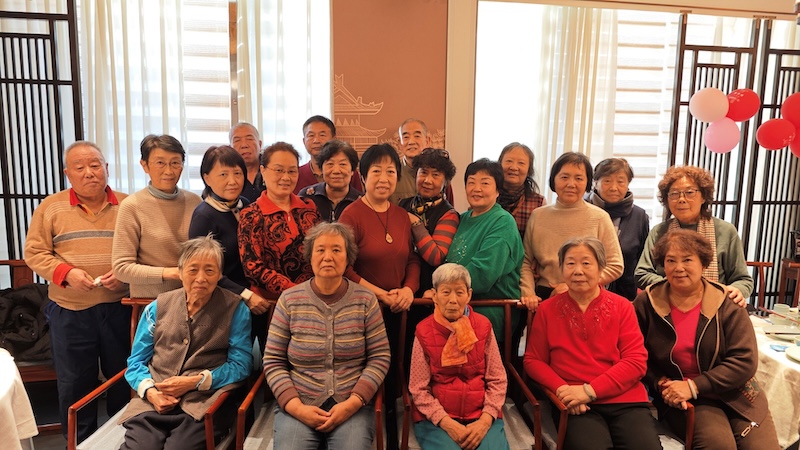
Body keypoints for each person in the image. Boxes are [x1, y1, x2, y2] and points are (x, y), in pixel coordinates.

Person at [23, 141, 131, 442]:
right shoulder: (51, 207)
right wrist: (67, 273)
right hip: (70, 312)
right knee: (74, 385)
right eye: (80, 167)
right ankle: (79, 443)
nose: (89, 173)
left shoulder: (128, 205)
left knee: (123, 378)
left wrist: (124, 277)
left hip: (120, 307)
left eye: (95, 165)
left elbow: (141, 252)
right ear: (68, 173)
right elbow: (35, 253)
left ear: (107, 168)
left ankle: (122, 440)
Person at [634, 229, 780, 450]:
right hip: (684, 397)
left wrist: (694, 385)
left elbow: (744, 361)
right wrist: (659, 382)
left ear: (703, 264)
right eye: (670, 260)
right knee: (718, 445)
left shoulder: (727, 303)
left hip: (737, 393)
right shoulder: (647, 303)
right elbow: (634, 354)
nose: (678, 268)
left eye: (687, 260)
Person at [523, 238, 662, 450]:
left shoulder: (622, 306)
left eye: (586, 263)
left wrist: (589, 391)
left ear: (601, 268)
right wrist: (563, 390)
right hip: (576, 405)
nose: (578, 270)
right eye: (570, 263)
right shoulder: (547, 309)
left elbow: (636, 361)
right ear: (561, 268)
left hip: (624, 400)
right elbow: (533, 360)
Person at [263, 222, 390, 450]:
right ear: (310, 256)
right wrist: (296, 407)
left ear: (348, 257)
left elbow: (380, 358)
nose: (328, 257)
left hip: (352, 404)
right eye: (320, 250)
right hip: (299, 402)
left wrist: (353, 403)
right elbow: (273, 361)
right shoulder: (289, 300)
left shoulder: (365, 300)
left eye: (336, 250)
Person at [119, 235, 252, 450]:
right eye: (193, 270)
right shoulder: (157, 307)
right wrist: (151, 393)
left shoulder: (236, 309)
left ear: (219, 275)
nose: (201, 278)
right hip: (153, 402)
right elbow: (136, 362)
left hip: (204, 404)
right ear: (180, 273)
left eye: (209, 270)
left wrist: (194, 382)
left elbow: (241, 365)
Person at [339, 142, 421, 450]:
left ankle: (390, 422)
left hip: (400, 306)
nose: (384, 177)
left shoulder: (402, 215)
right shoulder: (351, 214)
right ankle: (365, 425)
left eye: (390, 171)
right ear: (362, 177)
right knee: (369, 368)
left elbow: (413, 259)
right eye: (376, 171)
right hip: (363, 309)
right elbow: (344, 268)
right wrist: (381, 295)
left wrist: (408, 290)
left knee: (396, 367)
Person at [409, 263, 509, 450]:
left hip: (481, 414)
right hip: (436, 420)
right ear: (435, 295)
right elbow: (418, 389)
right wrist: (448, 424)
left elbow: (498, 379)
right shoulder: (423, 331)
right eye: (446, 292)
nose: (453, 300)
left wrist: (485, 421)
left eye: (459, 292)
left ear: (469, 295)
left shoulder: (484, 326)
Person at [238, 142, 321, 351]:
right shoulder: (251, 214)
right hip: (272, 307)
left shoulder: (309, 208)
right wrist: (298, 293)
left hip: (315, 303)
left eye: (292, 171)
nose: (286, 177)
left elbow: (322, 251)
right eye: (279, 170)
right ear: (263, 171)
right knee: (279, 366)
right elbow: (253, 268)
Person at [635, 165, 753, 305]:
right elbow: (641, 273)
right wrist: (672, 287)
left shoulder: (725, 231)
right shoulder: (659, 231)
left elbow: (744, 280)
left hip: (716, 306)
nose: (681, 199)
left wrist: (736, 290)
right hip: (666, 304)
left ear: (703, 197)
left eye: (689, 192)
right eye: (674, 194)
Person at [519, 152, 623, 308]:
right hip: (545, 297)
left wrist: (575, 284)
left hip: (587, 297)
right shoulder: (538, 215)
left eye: (579, 178)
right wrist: (528, 292)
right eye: (564, 177)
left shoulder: (600, 217)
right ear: (554, 180)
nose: (571, 184)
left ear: (588, 182)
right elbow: (525, 261)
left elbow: (616, 265)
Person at [113, 134, 202, 298]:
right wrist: (173, 273)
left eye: (175, 163)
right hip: (151, 303)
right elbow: (121, 268)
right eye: (160, 163)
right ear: (144, 165)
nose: (169, 171)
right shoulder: (132, 205)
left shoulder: (195, 201)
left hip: (194, 299)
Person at [445, 158, 523, 344]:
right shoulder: (461, 218)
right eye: (471, 182)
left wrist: (442, 289)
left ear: (497, 191)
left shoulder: (502, 221)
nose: (476, 188)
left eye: (485, 183)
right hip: (454, 304)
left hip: (488, 308)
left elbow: (483, 274)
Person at [189, 146, 270, 317]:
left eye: (238, 173)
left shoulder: (246, 204)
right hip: (224, 302)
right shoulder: (204, 216)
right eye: (223, 174)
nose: (232, 181)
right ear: (207, 178)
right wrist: (245, 295)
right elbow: (203, 270)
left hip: (258, 297)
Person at [585, 158, 649, 300]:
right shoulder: (582, 210)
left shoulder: (639, 216)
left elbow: (642, 259)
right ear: (595, 183)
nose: (614, 187)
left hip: (624, 295)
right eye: (607, 181)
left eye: (620, 181)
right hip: (582, 291)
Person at [399, 147, 459, 296]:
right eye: (423, 172)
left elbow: (436, 257)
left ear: (445, 182)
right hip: (400, 286)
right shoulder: (403, 204)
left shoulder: (448, 214)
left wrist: (415, 223)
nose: (427, 180)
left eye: (436, 175)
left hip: (428, 292)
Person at [390, 118, 454, 205]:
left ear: (427, 141)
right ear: (399, 144)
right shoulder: (392, 175)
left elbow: (449, 207)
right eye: (406, 137)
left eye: (417, 136)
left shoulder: (440, 174)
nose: (411, 142)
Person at [294, 115, 363, 194]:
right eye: (311, 135)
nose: (316, 140)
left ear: (333, 139)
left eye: (322, 135)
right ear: (304, 141)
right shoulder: (297, 174)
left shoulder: (348, 172)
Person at [299, 139, 362, 222]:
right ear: (321, 169)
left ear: (352, 171)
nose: (336, 171)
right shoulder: (306, 197)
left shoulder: (361, 202)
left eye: (342, 164)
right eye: (330, 164)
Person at [497, 142, 545, 238]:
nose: (514, 167)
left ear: (529, 170)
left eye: (521, 163)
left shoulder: (539, 203)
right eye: (509, 161)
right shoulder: (488, 196)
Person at [229, 122, 265, 202]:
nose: (244, 145)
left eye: (249, 139)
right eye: (237, 140)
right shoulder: (226, 176)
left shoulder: (271, 169)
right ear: (230, 148)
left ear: (260, 144)